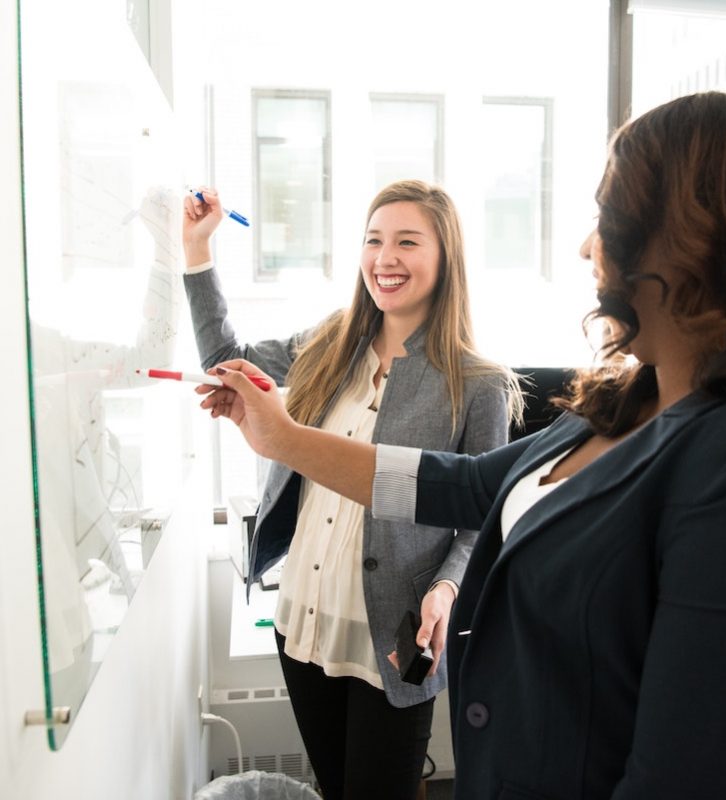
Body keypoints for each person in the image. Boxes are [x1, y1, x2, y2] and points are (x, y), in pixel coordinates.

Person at [195, 92, 726, 800]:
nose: (584, 246)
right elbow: (465, 484)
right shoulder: (617, 405)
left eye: (607, 218)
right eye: (373, 239)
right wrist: (285, 438)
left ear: (692, 237)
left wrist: (443, 586)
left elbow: (682, 779)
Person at [182, 180, 523, 799]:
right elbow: (226, 359)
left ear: (446, 257)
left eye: (407, 242)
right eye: (373, 240)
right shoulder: (331, 341)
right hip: (304, 618)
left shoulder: (479, 383)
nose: (384, 258)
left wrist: (447, 588)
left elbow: (484, 513)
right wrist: (197, 251)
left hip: (394, 633)